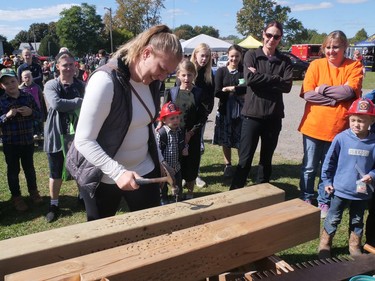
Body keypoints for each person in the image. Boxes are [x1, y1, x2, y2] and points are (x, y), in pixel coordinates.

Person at [67, 24, 183, 221]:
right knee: (102, 240)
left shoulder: (153, 82)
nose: (163, 77)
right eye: (162, 68)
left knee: (149, 231)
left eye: (169, 73)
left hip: (144, 171)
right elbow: (84, 140)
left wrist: (159, 160)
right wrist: (118, 172)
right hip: (103, 177)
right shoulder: (105, 81)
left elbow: (147, 126)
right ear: (146, 53)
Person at [298, 30, 363, 219]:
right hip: (313, 126)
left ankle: (324, 200)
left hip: (338, 129)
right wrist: (334, 100)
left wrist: (322, 89)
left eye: (336, 47)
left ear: (345, 48)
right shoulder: (315, 65)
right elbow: (307, 93)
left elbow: (349, 92)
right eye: (328, 47)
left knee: (329, 168)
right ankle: (306, 196)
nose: (331, 51)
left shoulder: (354, 66)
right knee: (309, 167)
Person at [230, 21, 293, 190]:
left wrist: (261, 77)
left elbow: (286, 86)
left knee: (266, 160)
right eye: (269, 35)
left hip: (273, 117)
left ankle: (262, 195)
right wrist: (275, 79)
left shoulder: (285, 60)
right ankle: (234, 194)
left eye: (276, 36)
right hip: (252, 115)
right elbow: (250, 80)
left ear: (280, 39)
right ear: (263, 34)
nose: (271, 39)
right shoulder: (251, 55)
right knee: (245, 159)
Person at [318, 98, 375, 259]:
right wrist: (327, 181)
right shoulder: (341, 138)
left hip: (362, 192)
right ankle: (325, 243)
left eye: (361, 121)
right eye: (353, 120)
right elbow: (329, 162)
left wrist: (371, 175)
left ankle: (354, 245)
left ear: (371, 120)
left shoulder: (373, 142)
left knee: (357, 220)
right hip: (340, 189)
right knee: (333, 217)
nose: (356, 124)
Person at [43, 51, 85, 222]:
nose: (68, 68)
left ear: (75, 66)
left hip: (79, 135)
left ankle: (82, 197)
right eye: (64, 65)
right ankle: (54, 204)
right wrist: (80, 101)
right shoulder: (51, 85)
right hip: (56, 135)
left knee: (80, 169)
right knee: (55, 171)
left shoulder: (81, 85)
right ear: (57, 66)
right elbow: (56, 104)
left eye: (71, 64)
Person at [162, 59, 207, 199]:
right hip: (174, 136)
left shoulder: (199, 93)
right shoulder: (172, 92)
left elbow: (203, 116)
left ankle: (190, 192)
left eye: (190, 75)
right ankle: (176, 191)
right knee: (175, 163)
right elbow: (164, 114)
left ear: (194, 75)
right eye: (184, 75)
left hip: (192, 135)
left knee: (191, 164)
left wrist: (191, 133)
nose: (187, 78)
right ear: (178, 75)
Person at [0, 68, 42, 212]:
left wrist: (31, 112)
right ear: (2, 86)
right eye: (6, 83)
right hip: (10, 143)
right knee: (13, 171)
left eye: (12, 81)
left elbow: (39, 115)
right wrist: (7, 115)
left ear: (18, 81)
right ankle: (17, 197)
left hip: (27, 141)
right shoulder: (1, 101)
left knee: (29, 168)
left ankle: (34, 192)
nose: (10, 85)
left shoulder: (27, 97)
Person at [213, 44, 246, 178]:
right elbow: (217, 92)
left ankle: (241, 166)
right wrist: (235, 91)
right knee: (226, 139)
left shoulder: (243, 71)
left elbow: (245, 88)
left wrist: (229, 89)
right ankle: (228, 165)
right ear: (228, 55)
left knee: (240, 140)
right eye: (232, 56)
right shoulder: (221, 71)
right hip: (225, 110)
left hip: (241, 111)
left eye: (237, 56)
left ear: (241, 56)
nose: (234, 59)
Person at [190, 43, 215, 188]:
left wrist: (205, 114)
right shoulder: (187, 70)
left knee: (198, 146)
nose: (204, 59)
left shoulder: (209, 74)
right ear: (195, 55)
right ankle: (184, 174)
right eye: (202, 55)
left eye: (207, 56)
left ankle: (196, 174)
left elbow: (210, 97)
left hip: (200, 118)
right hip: (184, 117)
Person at [156, 101, 188, 204]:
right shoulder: (161, 133)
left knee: (177, 186)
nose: (175, 120)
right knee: (163, 187)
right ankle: (163, 200)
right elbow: (157, 151)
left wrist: (185, 148)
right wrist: (162, 166)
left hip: (176, 166)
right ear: (164, 120)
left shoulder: (180, 131)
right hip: (164, 168)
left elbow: (184, 143)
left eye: (177, 117)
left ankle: (177, 200)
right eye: (172, 118)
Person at [19, 70, 47, 140]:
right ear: (22, 79)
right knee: (30, 127)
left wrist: (44, 112)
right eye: (25, 77)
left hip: (37, 109)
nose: (27, 79)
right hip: (26, 110)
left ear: (32, 77)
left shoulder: (37, 87)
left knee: (39, 126)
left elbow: (41, 100)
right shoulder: (20, 89)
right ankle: (30, 140)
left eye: (29, 77)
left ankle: (40, 140)